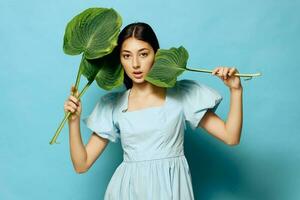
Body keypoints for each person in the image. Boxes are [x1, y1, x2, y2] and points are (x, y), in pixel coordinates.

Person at [64, 22, 243, 199]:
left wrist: (235, 90)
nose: (135, 64)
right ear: (120, 59)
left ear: (156, 55)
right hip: (127, 192)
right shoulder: (113, 105)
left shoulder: (181, 95)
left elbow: (231, 137)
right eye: (127, 56)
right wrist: (73, 122)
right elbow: (82, 164)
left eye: (143, 54)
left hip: (172, 191)